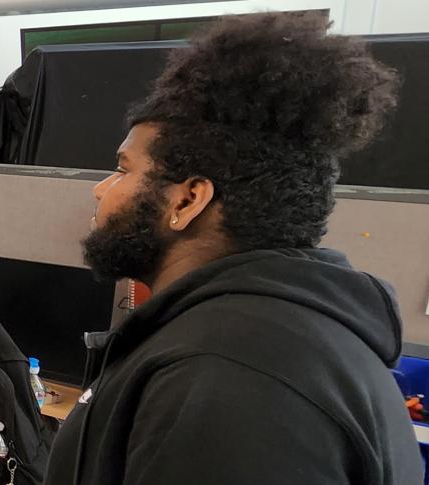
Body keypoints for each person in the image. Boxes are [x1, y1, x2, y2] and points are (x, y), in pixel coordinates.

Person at [45, 13, 419, 485]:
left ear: (187, 198)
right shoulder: (267, 337)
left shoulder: (226, 379)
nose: (102, 190)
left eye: (123, 170)